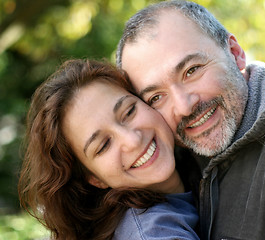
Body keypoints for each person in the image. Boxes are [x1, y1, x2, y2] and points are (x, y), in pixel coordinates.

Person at [116, 1, 265, 239]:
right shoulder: (171, 165)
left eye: (192, 70)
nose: (183, 106)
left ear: (235, 53)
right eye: (156, 97)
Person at [18, 59, 200, 240]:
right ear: (94, 178)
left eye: (129, 112)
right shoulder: (151, 233)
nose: (133, 140)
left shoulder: (197, 159)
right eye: (104, 145)